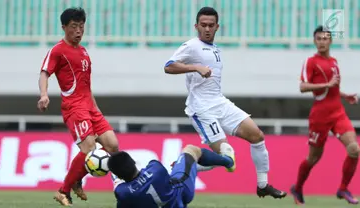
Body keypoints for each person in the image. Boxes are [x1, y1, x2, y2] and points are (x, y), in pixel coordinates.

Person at [163, 6, 286, 198]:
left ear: (217, 27)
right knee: (227, 154)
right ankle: (186, 164)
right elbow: (168, 67)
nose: (207, 29)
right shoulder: (192, 45)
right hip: (201, 109)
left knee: (257, 136)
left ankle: (263, 185)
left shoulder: (214, 48)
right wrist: (195, 67)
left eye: (211, 25)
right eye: (203, 25)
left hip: (220, 103)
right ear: (196, 26)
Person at [37, 7, 119, 206]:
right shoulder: (57, 50)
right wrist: (44, 94)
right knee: (89, 148)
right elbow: (44, 73)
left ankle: (76, 180)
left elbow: (86, 85)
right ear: (64, 27)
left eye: (81, 26)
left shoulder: (83, 51)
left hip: (90, 107)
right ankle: (63, 191)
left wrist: (96, 108)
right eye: (74, 26)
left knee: (112, 145)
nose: (78, 31)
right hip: (74, 108)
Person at [290, 25, 359, 205]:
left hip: (338, 112)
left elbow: (332, 88)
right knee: (313, 158)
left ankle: (343, 189)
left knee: (354, 149)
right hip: (320, 117)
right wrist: (327, 85)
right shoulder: (311, 62)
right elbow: (303, 87)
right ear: (314, 41)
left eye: (325, 38)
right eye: (318, 39)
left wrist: (345, 95)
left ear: (330, 41)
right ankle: (297, 188)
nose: (322, 42)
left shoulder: (334, 61)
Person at [108, 145, 235, 207]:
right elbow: (156, 176)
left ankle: (194, 167)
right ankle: (228, 161)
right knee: (191, 150)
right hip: (183, 192)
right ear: (134, 162)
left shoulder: (123, 192)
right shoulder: (155, 167)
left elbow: (119, 186)